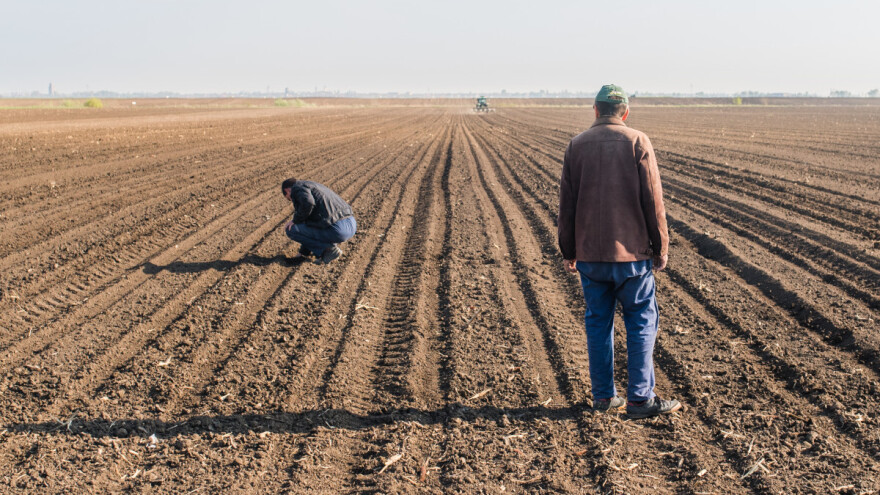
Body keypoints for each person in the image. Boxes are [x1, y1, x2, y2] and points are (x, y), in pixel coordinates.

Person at [557, 84, 681, 419]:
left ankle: (603, 398)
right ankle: (640, 400)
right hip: (632, 256)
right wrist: (661, 246)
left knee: (598, 323)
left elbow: (566, 204)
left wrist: (568, 249)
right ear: (624, 112)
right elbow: (653, 201)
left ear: (595, 110)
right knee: (642, 320)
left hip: (591, 257)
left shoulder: (576, 146)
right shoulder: (637, 141)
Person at [281, 178, 357, 264]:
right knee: (309, 225)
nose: (292, 200)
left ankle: (328, 249)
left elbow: (308, 203)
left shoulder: (297, 188)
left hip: (338, 229)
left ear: (287, 190)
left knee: (291, 229)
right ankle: (316, 251)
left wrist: (295, 220)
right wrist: (302, 253)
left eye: (289, 199)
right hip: (351, 224)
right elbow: (310, 229)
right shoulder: (313, 186)